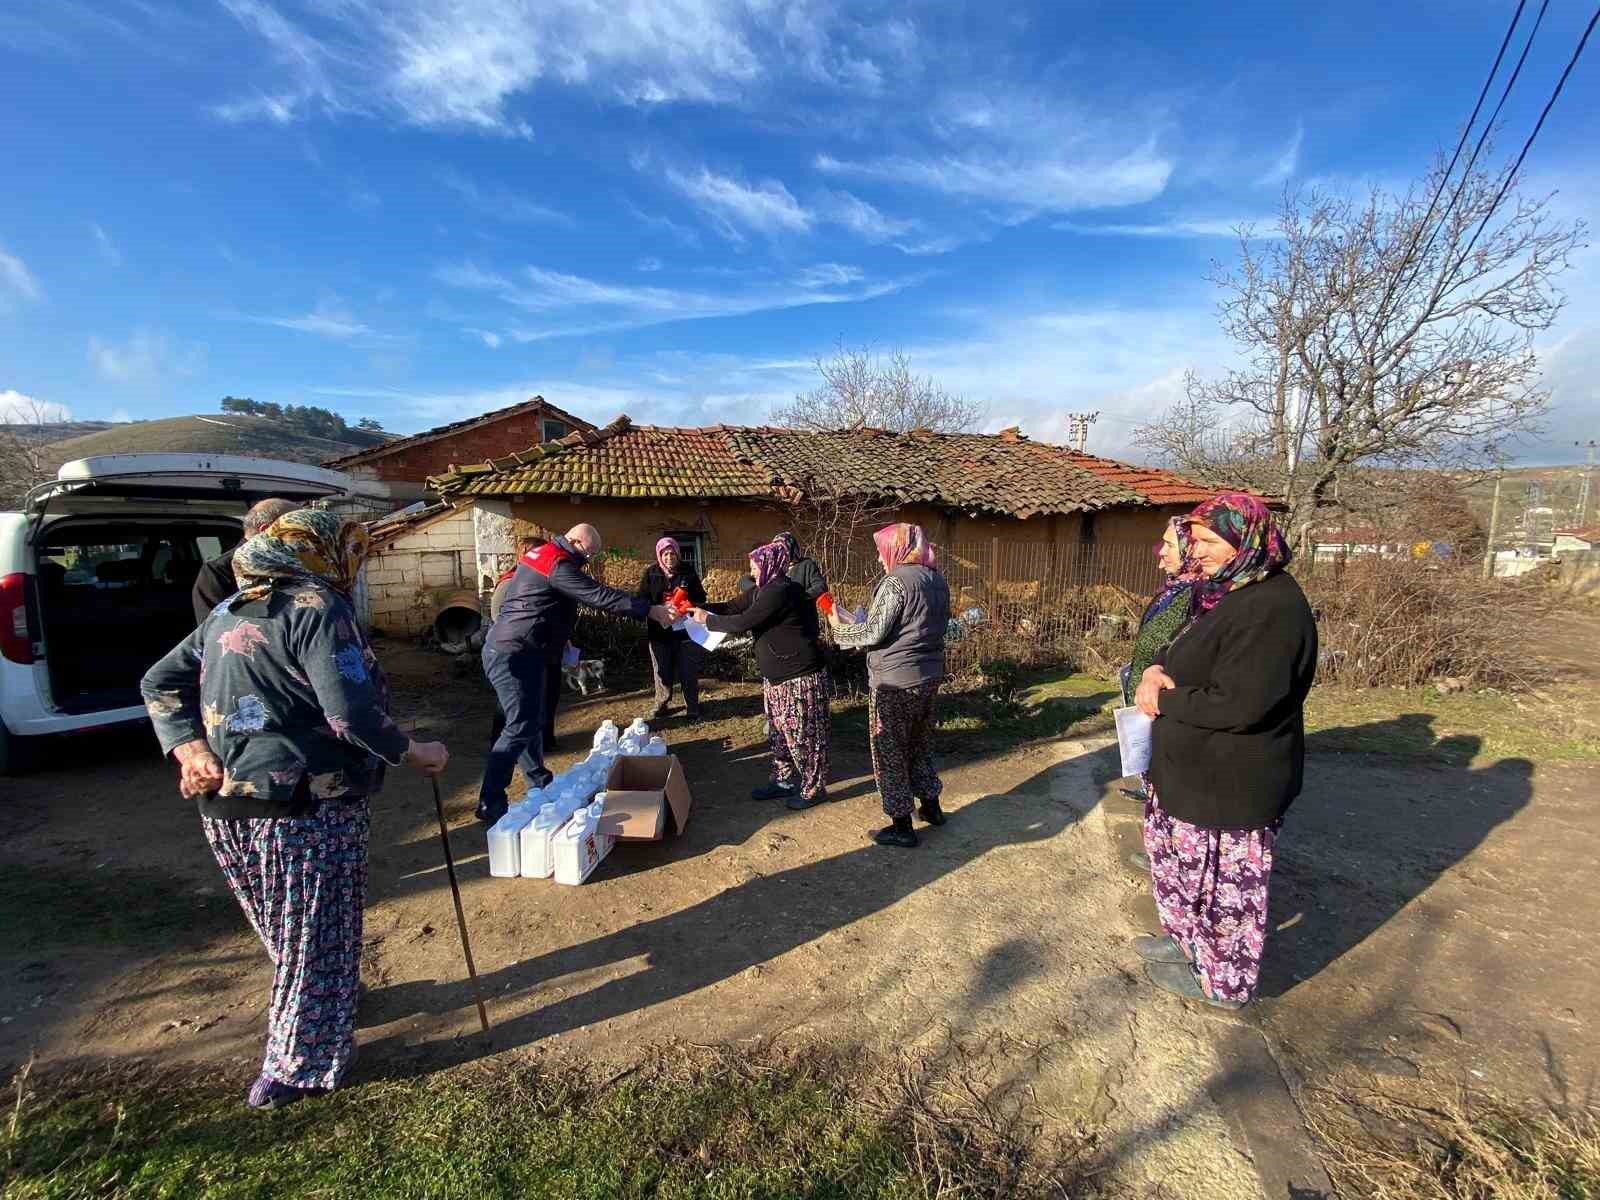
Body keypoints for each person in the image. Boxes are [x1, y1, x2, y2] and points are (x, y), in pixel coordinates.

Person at [140, 509, 449, 1111]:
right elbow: (349, 717)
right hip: (310, 806)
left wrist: (189, 748)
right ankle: (294, 1068)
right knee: (314, 936)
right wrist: (417, 751)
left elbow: (159, 682)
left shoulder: (232, 608)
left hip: (226, 806)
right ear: (327, 552)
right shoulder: (318, 608)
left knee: (289, 933)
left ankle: (328, 1000)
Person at [1132, 493, 1316, 1010]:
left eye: (1211, 542)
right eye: (1198, 541)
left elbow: (1241, 703)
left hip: (1232, 782)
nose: (1201, 551)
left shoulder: (1273, 608)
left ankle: (1223, 983)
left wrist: (1165, 698)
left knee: (1226, 891)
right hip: (1192, 771)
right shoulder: (1226, 591)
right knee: (1185, 872)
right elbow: (1179, 644)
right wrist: (1155, 667)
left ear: (1247, 541)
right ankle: (1185, 946)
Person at [478, 523, 671, 823]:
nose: (587, 563)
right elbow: (597, 595)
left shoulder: (544, 555)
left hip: (519, 650)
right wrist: (649, 610)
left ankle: (539, 783)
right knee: (519, 726)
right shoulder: (556, 562)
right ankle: (490, 800)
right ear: (577, 544)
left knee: (527, 721)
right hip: (514, 653)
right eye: (589, 555)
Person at [828, 523, 950, 848]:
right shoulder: (937, 579)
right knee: (920, 743)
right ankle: (932, 807)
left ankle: (901, 825)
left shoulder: (896, 581)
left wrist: (840, 630)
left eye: (882, 553)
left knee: (891, 750)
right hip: (928, 676)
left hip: (895, 682)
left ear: (896, 550)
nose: (881, 561)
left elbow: (873, 634)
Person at [689, 539, 831, 809]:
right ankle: (783, 780)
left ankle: (814, 788)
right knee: (779, 734)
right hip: (776, 677)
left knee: (804, 736)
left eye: (754, 566)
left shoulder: (780, 591)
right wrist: (694, 607)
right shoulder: (762, 589)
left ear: (769, 564)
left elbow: (744, 621)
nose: (751, 572)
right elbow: (732, 607)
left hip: (797, 676)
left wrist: (706, 620)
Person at [487, 535, 565, 753]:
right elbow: (499, 617)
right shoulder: (510, 583)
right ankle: (499, 743)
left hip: (545, 651)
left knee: (545, 697)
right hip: (517, 652)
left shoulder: (545, 578)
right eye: (538, 553)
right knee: (511, 701)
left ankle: (545, 740)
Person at [191, 497, 299, 624]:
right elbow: (213, 628)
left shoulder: (297, 563)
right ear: (265, 530)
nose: (302, 535)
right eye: (295, 528)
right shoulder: (218, 571)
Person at [637, 536, 706, 722]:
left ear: (678, 553)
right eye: (665, 554)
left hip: (685, 632)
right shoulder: (651, 573)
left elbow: (701, 597)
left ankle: (692, 707)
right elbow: (641, 600)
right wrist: (656, 609)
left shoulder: (688, 572)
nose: (669, 557)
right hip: (659, 633)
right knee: (662, 671)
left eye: (672, 553)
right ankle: (662, 704)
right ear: (659, 555)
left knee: (688, 671)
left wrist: (687, 607)